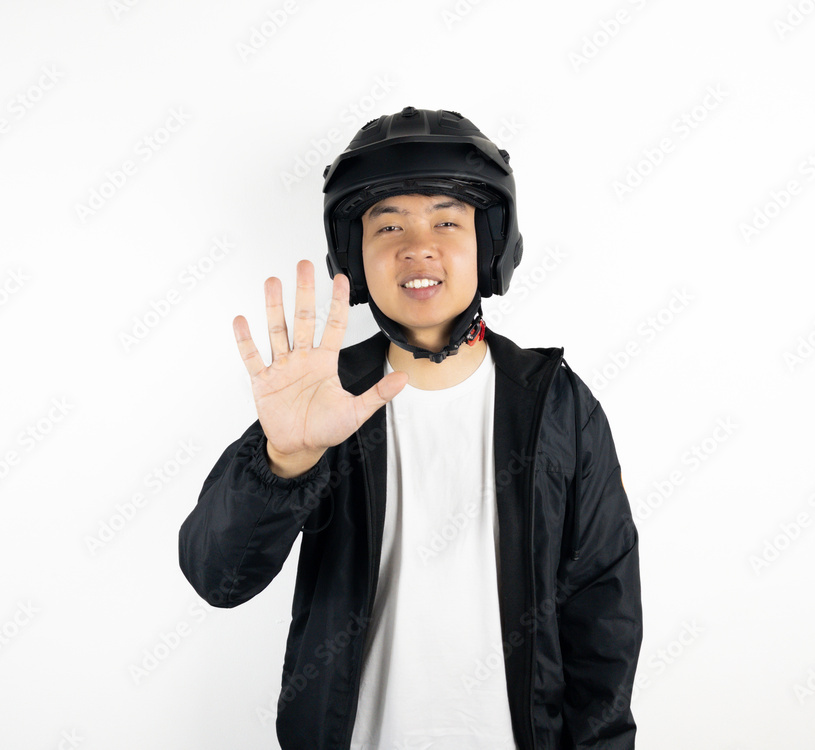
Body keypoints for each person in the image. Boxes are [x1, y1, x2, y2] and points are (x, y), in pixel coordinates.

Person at [179, 107, 642, 749]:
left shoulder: (557, 406)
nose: (417, 246)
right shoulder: (323, 399)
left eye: (446, 221)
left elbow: (604, 618)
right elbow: (218, 578)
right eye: (388, 224)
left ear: (490, 244)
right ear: (355, 257)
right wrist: (283, 459)